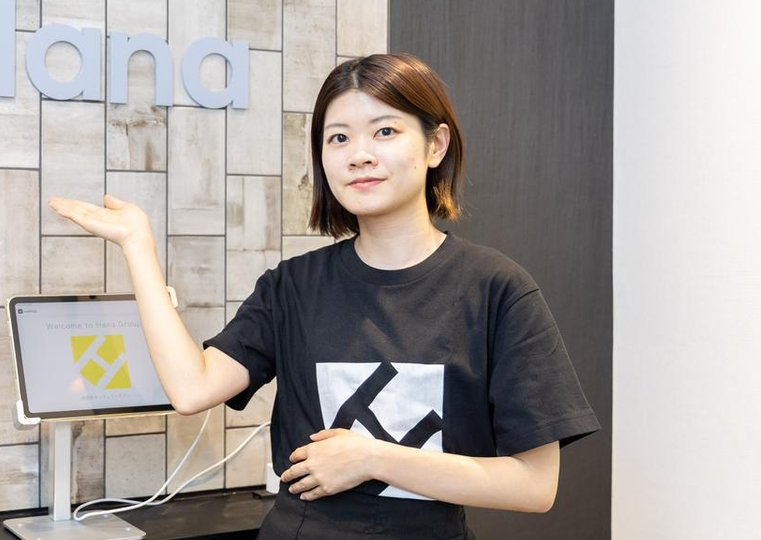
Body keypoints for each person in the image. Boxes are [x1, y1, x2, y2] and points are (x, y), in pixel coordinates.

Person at [47, 53, 600, 539]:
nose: (359, 155)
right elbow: (191, 389)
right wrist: (138, 248)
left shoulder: (497, 289)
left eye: (385, 131)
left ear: (436, 144)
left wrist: (372, 457)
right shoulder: (292, 287)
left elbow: (534, 485)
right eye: (338, 138)